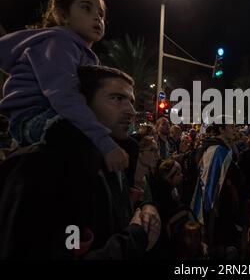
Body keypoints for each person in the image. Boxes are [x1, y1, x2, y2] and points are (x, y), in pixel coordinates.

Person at [0, 65, 160, 259]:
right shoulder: (43, 166)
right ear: (81, 104)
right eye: (117, 98)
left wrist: (144, 209)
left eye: (131, 101)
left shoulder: (112, 156)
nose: (131, 111)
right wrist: (133, 239)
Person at [0, 0, 129, 174]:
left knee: (128, 144)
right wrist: (104, 142)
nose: (97, 16)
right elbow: (64, 94)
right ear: (64, 16)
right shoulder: (59, 42)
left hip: (57, 113)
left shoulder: (87, 56)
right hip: (31, 116)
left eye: (101, 14)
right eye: (86, 8)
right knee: (79, 138)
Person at [190, 120, 242, 258]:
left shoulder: (221, 147)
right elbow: (214, 180)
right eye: (231, 127)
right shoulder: (218, 151)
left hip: (222, 201)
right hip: (216, 204)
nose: (235, 129)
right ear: (221, 129)